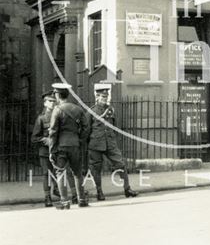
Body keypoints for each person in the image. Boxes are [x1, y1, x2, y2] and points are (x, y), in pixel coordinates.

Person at [86, 84, 137, 201]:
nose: (106, 99)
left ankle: (127, 189)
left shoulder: (111, 110)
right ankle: (99, 192)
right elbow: (86, 130)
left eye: (107, 96)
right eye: (103, 97)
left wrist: (112, 139)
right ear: (97, 97)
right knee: (96, 168)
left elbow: (114, 126)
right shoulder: (91, 111)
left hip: (110, 143)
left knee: (121, 163)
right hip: (96, 144)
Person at [49, 82, 89, 210]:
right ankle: (81, 200)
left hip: (61, 146)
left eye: (55, 94)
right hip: (75, 145)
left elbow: (53, 131)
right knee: (77, 173)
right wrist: (80, 139)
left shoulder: (57, 110)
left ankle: (65, 202)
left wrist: (51, 149)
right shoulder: (77, 109)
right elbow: (86, 127)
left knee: (60, 173)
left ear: (57, 95)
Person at [31, 91, 60, 207]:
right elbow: (34, 137)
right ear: (45, 103)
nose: (52, 103)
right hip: (45, 151)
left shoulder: (58, 115)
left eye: (54, 101)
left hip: (57, 150)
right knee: (46, 174)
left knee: (59, 173)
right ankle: (47, 197)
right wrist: (45, 140)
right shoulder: (41, 119)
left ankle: (57, 190)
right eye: (50, 101)